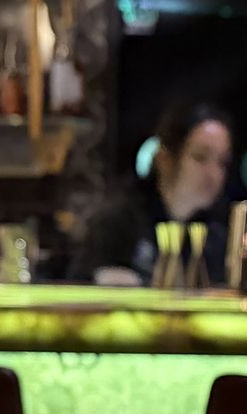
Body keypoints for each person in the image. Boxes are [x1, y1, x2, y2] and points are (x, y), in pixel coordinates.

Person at [68, 102, 232, 285]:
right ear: (164, 159)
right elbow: (80, 284)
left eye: (222, 162)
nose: (213, 174)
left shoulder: (216, 235)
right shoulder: (120, 219)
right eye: (200, 157)